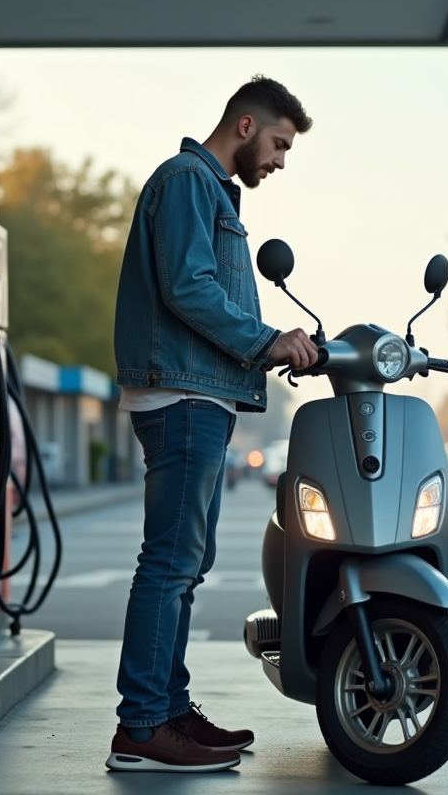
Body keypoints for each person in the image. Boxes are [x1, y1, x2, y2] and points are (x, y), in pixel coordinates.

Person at [107, 76, 318, 773]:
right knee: (169, 563)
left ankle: (167, 710)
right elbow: (189, 286)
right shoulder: (189, 181)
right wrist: (265, 340)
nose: (282, 162)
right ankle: (141, 726)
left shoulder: (206, 188)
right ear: (248, 126)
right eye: (281, 145)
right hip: (183, 396)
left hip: (199, 394)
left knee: (185, 565)